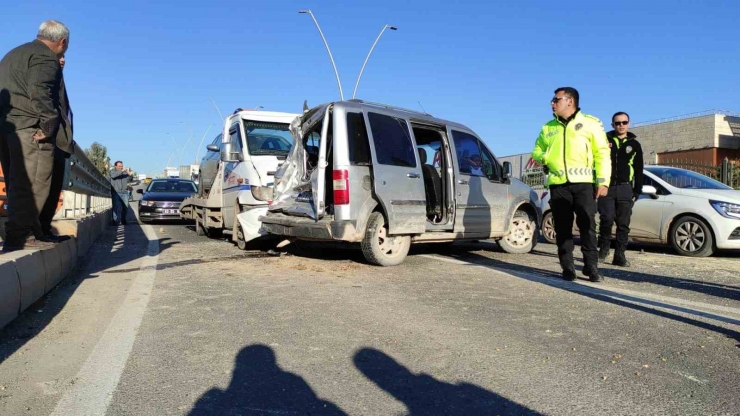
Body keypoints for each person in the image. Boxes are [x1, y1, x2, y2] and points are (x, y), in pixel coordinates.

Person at [0, 20, 70, 251]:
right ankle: (22, 236)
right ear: (62, 42)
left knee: (16, 183)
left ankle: (32, 233)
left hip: (7, 128)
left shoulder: (14, 54)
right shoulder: (45, 56)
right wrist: (48, 125)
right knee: (33, 184)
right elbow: (40, 91)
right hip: (29, 128)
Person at [532, 87, 611, 282]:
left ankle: (591, 267)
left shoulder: (590, 123)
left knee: (588, 225)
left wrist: (602, 181)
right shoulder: (547, 127)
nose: (552, 103)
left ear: (570, 101)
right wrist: (546, 157)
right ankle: (567, 267)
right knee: (563, 228)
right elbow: (536, 151)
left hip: (583, 184)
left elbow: (602, 153)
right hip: (558, 185)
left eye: (556, 99)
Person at [598, 112, 644, 267]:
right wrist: (596, 185)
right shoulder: (604, 141)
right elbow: (596, 163)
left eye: (624, 122)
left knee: (623, 224)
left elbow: (639, 170)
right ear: (612, 125)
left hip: (625, 188)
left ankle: (620, 255)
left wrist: (637, 192)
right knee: (606, 219)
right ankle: (603, 251)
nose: (621, 125)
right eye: (617, 123)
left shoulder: (635, 145)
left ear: (629, 123)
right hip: (607, 187)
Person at [38, 54, 74, 242]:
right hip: (50, 141)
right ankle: (37, 232)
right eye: (58, 56)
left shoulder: (58, 79)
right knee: (44, 186)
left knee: (54, 188)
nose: (62, 60)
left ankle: (44, 230)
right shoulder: (44, 77)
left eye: (63, 58)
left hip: (60, 142)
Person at [109, 161, 130, 225]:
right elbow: (113, 176)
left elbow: (128, 179)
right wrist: (122, 171)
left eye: (121, 166)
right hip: (116, 192)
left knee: (125, 207)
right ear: (115, 166)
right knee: (115, 207)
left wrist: (129, 174)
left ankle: (123, 220)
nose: (121, 167)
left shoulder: (124, 172)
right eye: (119, 166)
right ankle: (114, 221)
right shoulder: (112, 171)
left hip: (124, 192)